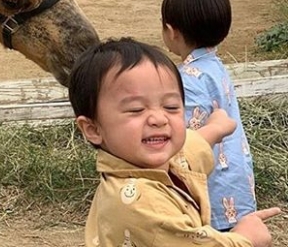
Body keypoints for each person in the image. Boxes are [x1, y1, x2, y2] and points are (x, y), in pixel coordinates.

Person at [68, 37, 279, 247]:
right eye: (136, 110)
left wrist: (216, 128)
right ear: (93, 129)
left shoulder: (153, 166)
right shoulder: (141, 202)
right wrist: (245, 238)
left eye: (171, 106)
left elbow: (189, 150)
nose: (159, 119)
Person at [162, 0, 256, 230]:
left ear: (171, 32)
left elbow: (187, 137)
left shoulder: (185, 79)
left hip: (212, 191)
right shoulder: (216, 67)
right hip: (237, 184)